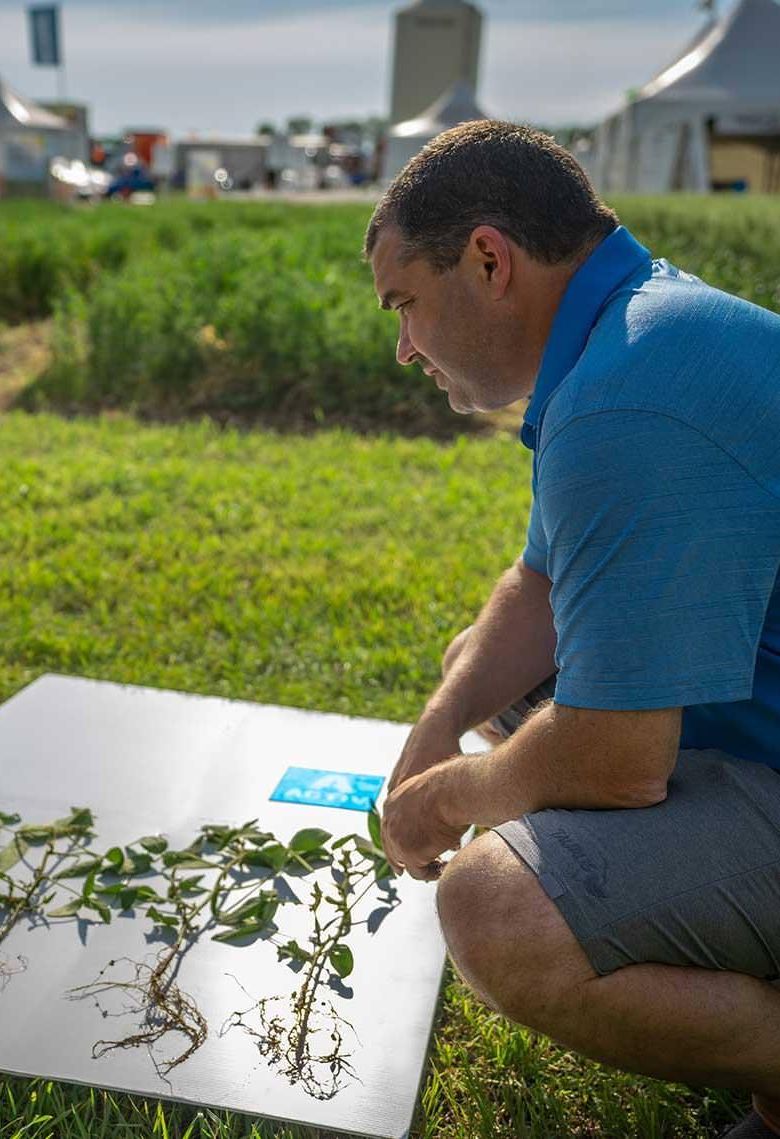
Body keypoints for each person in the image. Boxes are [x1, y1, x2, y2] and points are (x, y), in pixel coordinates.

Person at [369, 121, 780, 1139]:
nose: (403, 346)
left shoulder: (624, 403)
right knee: (483, 676)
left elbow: (615, 761)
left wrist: (444, 795)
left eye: (405, 305)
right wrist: (436, 726)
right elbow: (537, 587)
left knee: (493, 910)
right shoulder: (638, 330)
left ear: (487, 260)